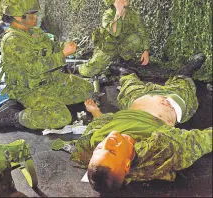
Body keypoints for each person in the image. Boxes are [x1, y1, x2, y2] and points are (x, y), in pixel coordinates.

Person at [56, 53, 212, 192]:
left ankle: (127, 73)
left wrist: (95, 111)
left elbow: (100, 126)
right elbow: (200, 141)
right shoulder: (157, 150)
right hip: (170, 100)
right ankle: (184, 73)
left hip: (136, 99)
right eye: (112, 151)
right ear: (127, 165)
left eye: (99, 147)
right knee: (183, 82)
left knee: (128, 83)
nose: (108, 140)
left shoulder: (96, 139)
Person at [0, 0, 94, 130]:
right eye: (32, 15)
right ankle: (14, 116)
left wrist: (64, 46)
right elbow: (34, 68)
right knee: (61, 118)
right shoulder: (12, 40)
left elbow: (51, 47)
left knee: (87, 89)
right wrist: (62, 55)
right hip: (29, 89)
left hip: (49, 80)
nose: (35, 17)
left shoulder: (34, 32)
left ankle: (49, 102)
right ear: (18, 16)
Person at [78, 0, 150, 78]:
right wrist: (119, 13)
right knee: (89, 72)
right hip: (107, 49)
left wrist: (146, 50)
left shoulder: (132, 14)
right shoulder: (107, 15)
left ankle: (121, 62)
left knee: (136, 38)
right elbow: (115, 32)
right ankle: (75, 67)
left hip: (122, 47)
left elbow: (142, 31)